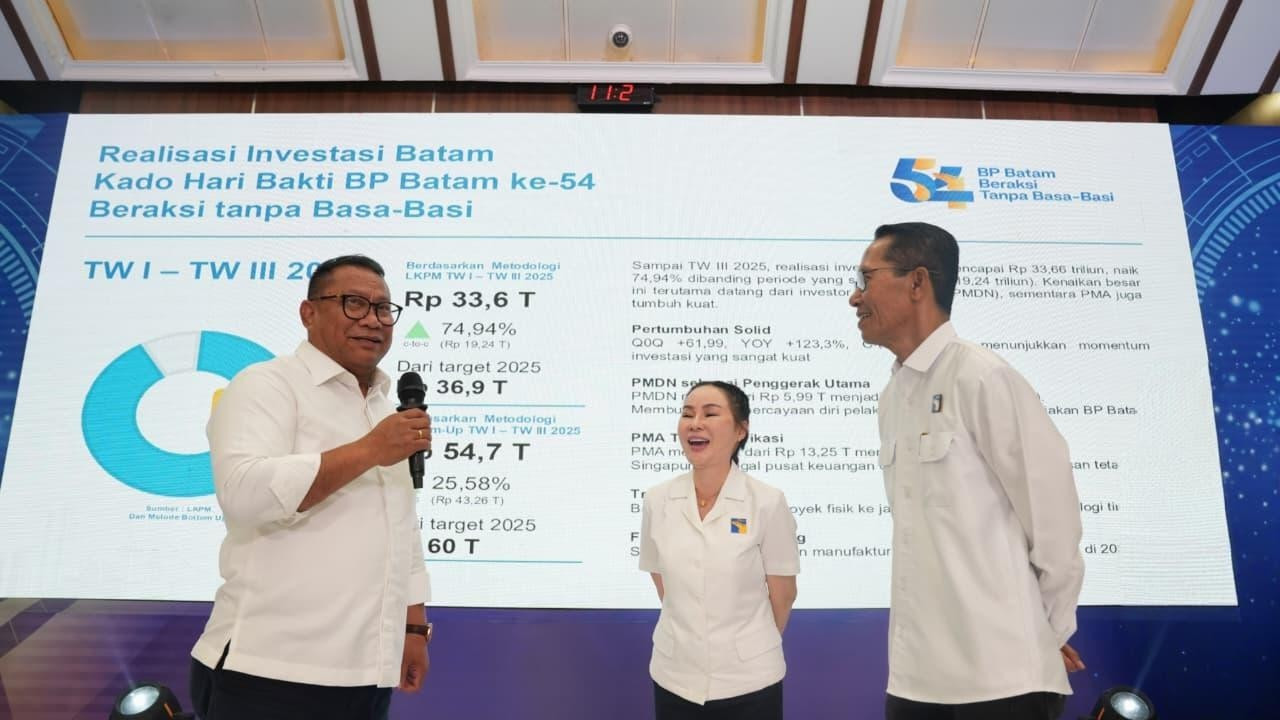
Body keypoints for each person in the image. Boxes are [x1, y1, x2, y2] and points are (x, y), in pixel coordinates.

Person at [849, 222, 1086, 720]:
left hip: (1002, 679)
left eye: (866, 278)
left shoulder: (982, 376)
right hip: (916, 681)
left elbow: (1053, 522)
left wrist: (1042, 632)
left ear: (917, 282)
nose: (855, 297)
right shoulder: (892, 397)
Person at [189, 255, 433, 720]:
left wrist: (413, 628)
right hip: (266, 670)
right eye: (354, 303)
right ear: (309, 312)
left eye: (383, 308)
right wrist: (369, 450)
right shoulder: (265, 384)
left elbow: (401, 527)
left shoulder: (385, 409)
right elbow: (243, 494)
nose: (372, 320)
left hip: (366, 673)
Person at [638, 381, 800, 720]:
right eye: (687, 414)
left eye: (710, 414)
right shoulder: (657, 499)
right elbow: (661, 580)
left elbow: (783, 593)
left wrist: (746, 646)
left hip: (750, 680)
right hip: (674, 675)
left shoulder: (767, 501)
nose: (695, 423)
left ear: (741, 430)